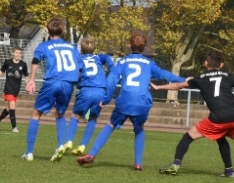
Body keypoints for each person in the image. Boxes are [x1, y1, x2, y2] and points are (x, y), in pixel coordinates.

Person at [77, 32, 185, 169]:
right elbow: (165, 74)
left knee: (110, 124)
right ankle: (138, 163)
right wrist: (184, 80)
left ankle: (92, 154)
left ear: (129, 46)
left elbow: (111, 81)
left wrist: (106, 99)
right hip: (142, 102)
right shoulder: (149, 63)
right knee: (139, 129)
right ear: (144, 48)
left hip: (125, 100)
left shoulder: (122, 62)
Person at [152, 49, 234, 177]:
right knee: (220, 138)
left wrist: (158, 87)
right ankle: (229, 171)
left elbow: (177, 86)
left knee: (187, 137)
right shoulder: (228, 76)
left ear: (206, 63)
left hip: (219, 117)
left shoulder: (200, 78)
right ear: (221, 65)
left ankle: (175, 165)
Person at [22, 18, 84, 161]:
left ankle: (29, 152)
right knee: (60, 114)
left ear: (48, 31)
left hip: (52, 82)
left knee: (36, 114)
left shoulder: (45, 45)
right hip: (68, 84)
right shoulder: (72, 47)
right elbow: (80, 69)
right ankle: (60, 145)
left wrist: (31, 80)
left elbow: (35, 61)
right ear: (63, 31)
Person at [53, 37, 113, 161]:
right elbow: (108, 58)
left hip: (86, 90)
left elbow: (76, 74)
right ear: (94, 48)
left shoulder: (78, 59)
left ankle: (69, 141)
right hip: (100, 90)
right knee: (92, 118)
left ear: (81, 48)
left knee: (75, 116)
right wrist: (112, 68)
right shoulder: (99, 57)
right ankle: (82, 145)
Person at [0, 47, 28, 132]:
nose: (18, 55)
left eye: (19, 53)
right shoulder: (8, 62)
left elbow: (26, 76)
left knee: (9, 108)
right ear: (13, 53)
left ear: (21, 54)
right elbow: (1, 71)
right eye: (16, 53)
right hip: (8, 89)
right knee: (12, 105)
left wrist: (28, 84)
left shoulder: (23, 64)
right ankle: (14, 127)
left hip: (16, 89)